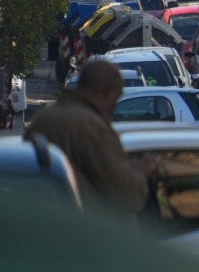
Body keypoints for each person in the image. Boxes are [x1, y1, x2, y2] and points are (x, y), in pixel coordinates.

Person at [25, 59, 152, 217]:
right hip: (85, 232)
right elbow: (126, 196)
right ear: (108, 92)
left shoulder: (42, 119)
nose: (114, 106)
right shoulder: (93, 128)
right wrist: (139, 173)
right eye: (116, 98)